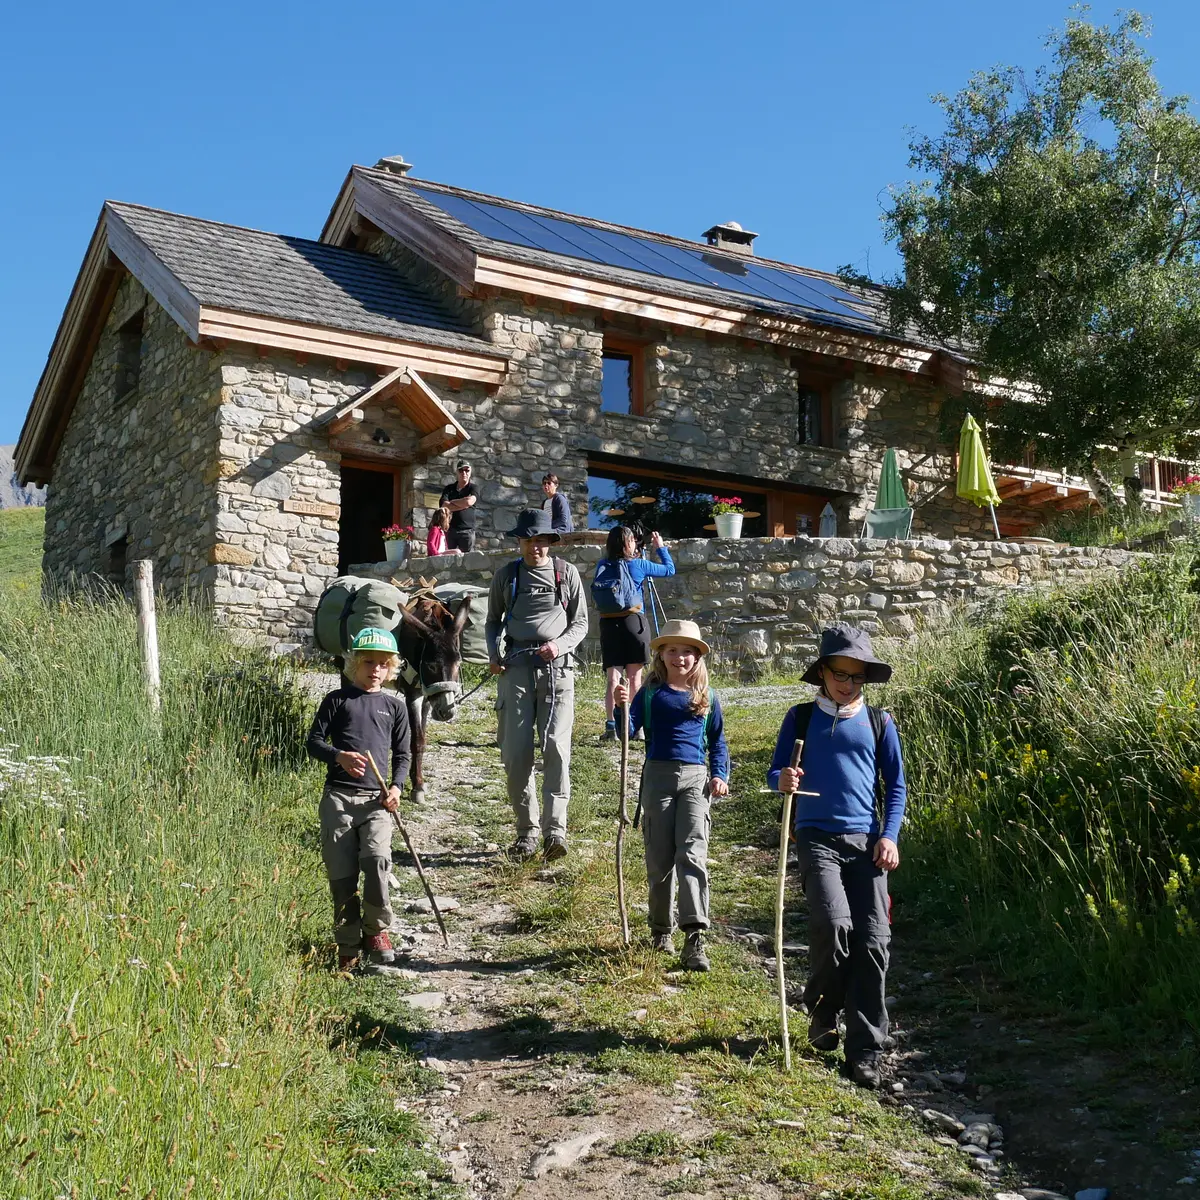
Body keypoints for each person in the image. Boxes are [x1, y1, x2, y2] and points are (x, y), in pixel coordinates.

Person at [767, 623, 906, 1089]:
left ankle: (865, 1048)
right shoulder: (800, 718)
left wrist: (889, 836)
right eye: (840, 674)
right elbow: (775, 772)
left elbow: (896, 788)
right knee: (833, 924)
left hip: (866, 843)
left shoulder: (880, 723)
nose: (847, 685)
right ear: (822, 672)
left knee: (874, 940)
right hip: (814, 836)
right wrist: (781, 780)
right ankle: (824, 1010)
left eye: (857, 677)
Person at [613, 620, 729, 972]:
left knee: (692, 854)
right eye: (673, 650)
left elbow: (719, 742)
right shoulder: (649, 694)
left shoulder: (707, 697)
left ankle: (694, 938)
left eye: (688, 652)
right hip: (658, 777)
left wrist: (720, 775)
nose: (680, 657)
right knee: (659, 858)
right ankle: (660, 930)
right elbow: (627, 734)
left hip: (696, 779)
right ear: (660, 654)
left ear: (697, 658)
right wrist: (621, 708)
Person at [485, 508, 589, 861]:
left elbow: (581, 623)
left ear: (550, 542)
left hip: (558, 672)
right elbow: (492, 622)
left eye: (541, 541)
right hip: (514, 671)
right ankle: (526, 831)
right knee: (516, 753)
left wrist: (557, 646)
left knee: (556, 750)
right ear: (520, 542)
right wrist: (493, 653)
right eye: (529, 541)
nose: (535, 548)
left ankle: (555, 831)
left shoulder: (567, 574)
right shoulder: (507, 576)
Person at [306, 626, 411, 973]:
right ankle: (347, 943)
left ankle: (376, 931)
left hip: (377, 803)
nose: (376, 670)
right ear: (354, 663)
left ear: (392, 668)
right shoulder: (337, 700)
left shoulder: (395, 706)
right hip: (338, 798)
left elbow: (403, 755)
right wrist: (340, 757)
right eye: (369, 662)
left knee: (378, 861)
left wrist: (396, 788)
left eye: (384, 664)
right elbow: (314, 742)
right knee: (341, 874)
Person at [593, 525, 675, 742]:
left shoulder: (602, 565)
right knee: (634, 678)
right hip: (633, 622)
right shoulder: (638, 565)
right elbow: (669, 569)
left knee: (613, 677)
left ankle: (611, 727)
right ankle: (634, 726)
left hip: (609, 624)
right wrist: (660, 547)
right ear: (629, 544)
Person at [439, 460, 480, 553]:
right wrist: (462, 504)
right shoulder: (449, 489)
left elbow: (470, 501)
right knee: (447, 560)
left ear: (470, 471)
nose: (464, 473)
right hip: (450, 531)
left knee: (468, 561)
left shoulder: (473, 488)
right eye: (461, 470)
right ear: (457, 472)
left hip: (467, 531)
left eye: (467, 470)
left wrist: (452, 502)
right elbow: (444, 505)